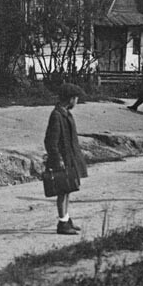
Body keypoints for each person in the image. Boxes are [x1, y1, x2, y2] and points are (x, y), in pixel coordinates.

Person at [44, 82, 88, 235]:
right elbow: (50, 141)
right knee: (63, 191)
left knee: (68, 189)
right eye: (76, 98)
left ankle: (66, 218)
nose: (77, 102)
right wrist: (58, 160)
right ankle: (62, 224)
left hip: (69, 159)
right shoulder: (57, 115)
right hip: (61, 160)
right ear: (70, 99)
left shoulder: (65, 113)